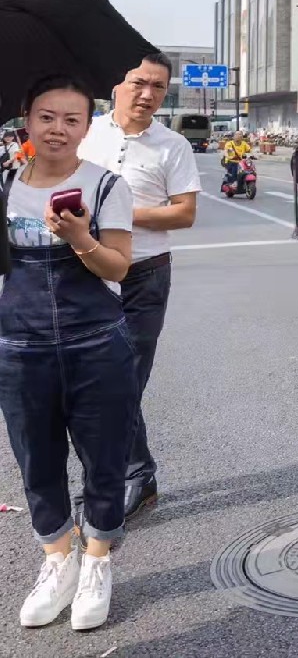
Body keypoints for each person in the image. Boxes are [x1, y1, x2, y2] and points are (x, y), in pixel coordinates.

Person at [1, 75, 137, 630]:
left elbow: (119, 268)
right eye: (47, 117)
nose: (58, 129)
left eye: (71, 119)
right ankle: (57, 559)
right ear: (27, 120)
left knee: (103, 458)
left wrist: (80, 237)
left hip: (96, 343)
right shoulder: (5, 184)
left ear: (87, 127)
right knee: (36, 461)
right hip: (19, 346)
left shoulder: (107, 185)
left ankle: (97, 561)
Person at [77, 53, 201, 519]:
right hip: (86, 272)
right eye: (139, 83)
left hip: (144, 275)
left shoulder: (172, 145)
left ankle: (130, 476)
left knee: (124, 383)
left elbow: (183, 213)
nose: (147, 95)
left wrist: (117, 211)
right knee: (90, 383)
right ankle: (122, 475)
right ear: (117, 85)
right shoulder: (86, 132)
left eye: (159, 88)